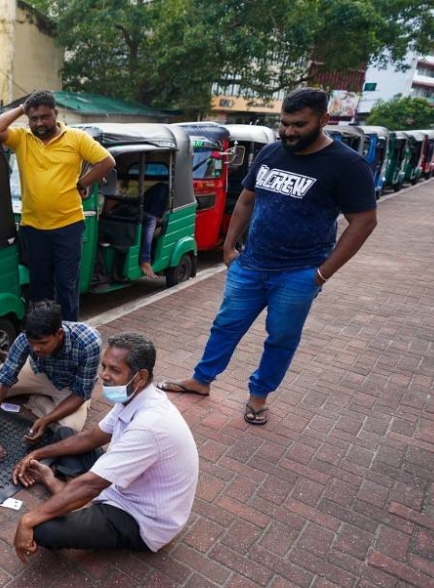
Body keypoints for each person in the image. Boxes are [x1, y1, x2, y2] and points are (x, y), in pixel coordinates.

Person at [158, 88, 378, 426]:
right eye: (284, 124)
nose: (289, 132)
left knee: (281, 337)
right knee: (225, 326)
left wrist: (321, 275)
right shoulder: (272, 152)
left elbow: (364, 221)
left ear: (324, 120)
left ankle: (258, 397)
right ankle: (201, 381)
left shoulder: (347, 165)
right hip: (250, 265)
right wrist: (229, 248)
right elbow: (246, 199)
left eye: (299, 125)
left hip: (300, 273)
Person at [12, 333, 198, 562]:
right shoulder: (134, 398)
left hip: (141, 519)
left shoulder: (150, 425)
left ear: (140, 377)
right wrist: (37, 453)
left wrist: (28, 520)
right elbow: (90, 438)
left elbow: (92, 484)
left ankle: (66, 491)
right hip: (121, 487)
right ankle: (72, 495)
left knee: (43, 529)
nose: (104, 376)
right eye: (104, 366)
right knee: (65, 435)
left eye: (114, 370)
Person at [0, 90, 115, 321]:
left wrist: (82, 182)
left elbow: (107, 161)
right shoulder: (23, 138)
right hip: (34, 228)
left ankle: (67, 332)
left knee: (67, 286)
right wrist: (22, 108)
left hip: (68, 227)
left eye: (45, 117)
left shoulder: (76, 138)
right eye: (34, 118)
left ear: (56, 114)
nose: (39, 123)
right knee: (39, 286)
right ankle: (42, 334)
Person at [0, 300, 102, 475]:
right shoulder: (26, 338)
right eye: (31, 342)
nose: (35, 348)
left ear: (59, 334)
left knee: (68, 430)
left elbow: (81, 393)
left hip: (69, 388)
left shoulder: (89, 342)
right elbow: (3, 381)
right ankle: (13, 364)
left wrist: (45, 420)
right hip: (39, 372)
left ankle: (37, 400)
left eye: (42, 343)